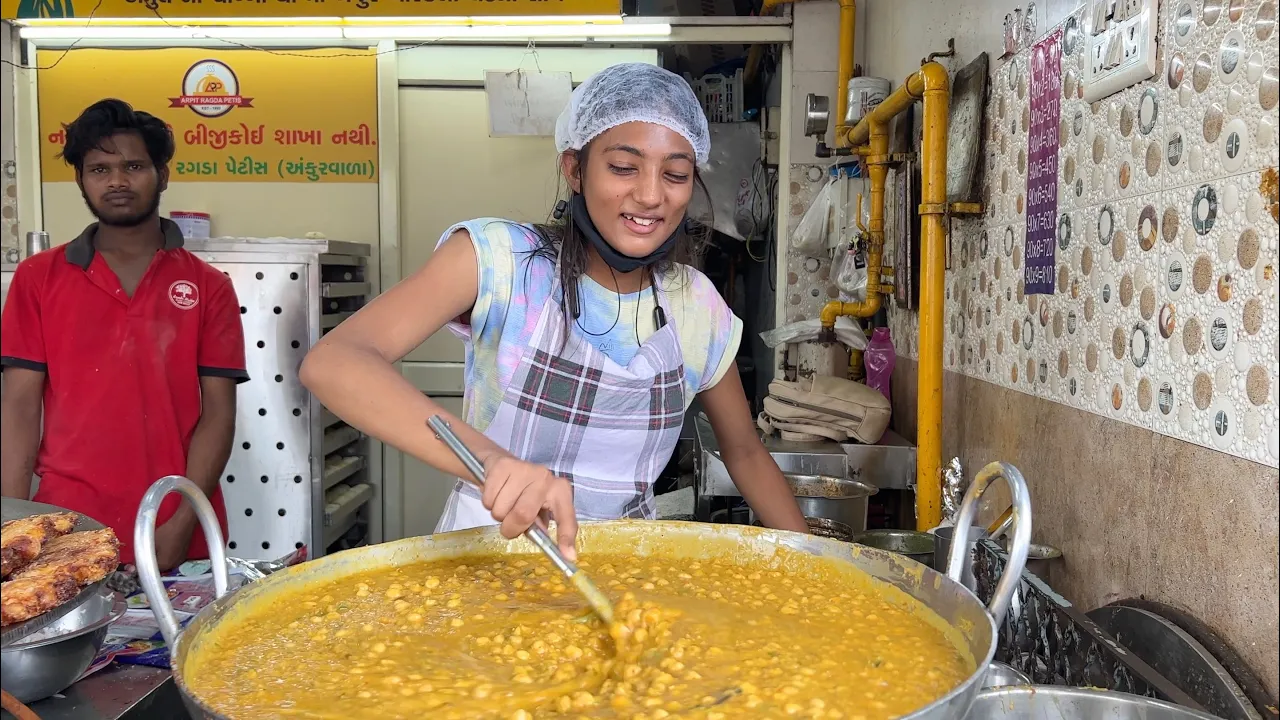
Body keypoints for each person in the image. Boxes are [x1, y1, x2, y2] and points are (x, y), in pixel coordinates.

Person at [300, 63, 807, 557]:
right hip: (487, 567)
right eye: (624, 167)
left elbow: (744, 452)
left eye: (675, 174)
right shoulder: (502, 261)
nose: (651, 195)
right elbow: (335, 361)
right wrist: (492, 460)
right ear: (574, 168)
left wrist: (821, 569)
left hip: (623, 575)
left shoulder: (696, 305)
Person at [0, 99, 247, 570]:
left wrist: (184, 520)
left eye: (133, 166)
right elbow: (19, 405)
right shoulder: (38, 279)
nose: (116, 180)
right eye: (99, 168)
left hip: (175, 523)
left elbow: (218, 412)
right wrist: (14, 528)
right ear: (81, 180)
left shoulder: (208, 286)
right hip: (64, 525)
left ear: (163, 174)